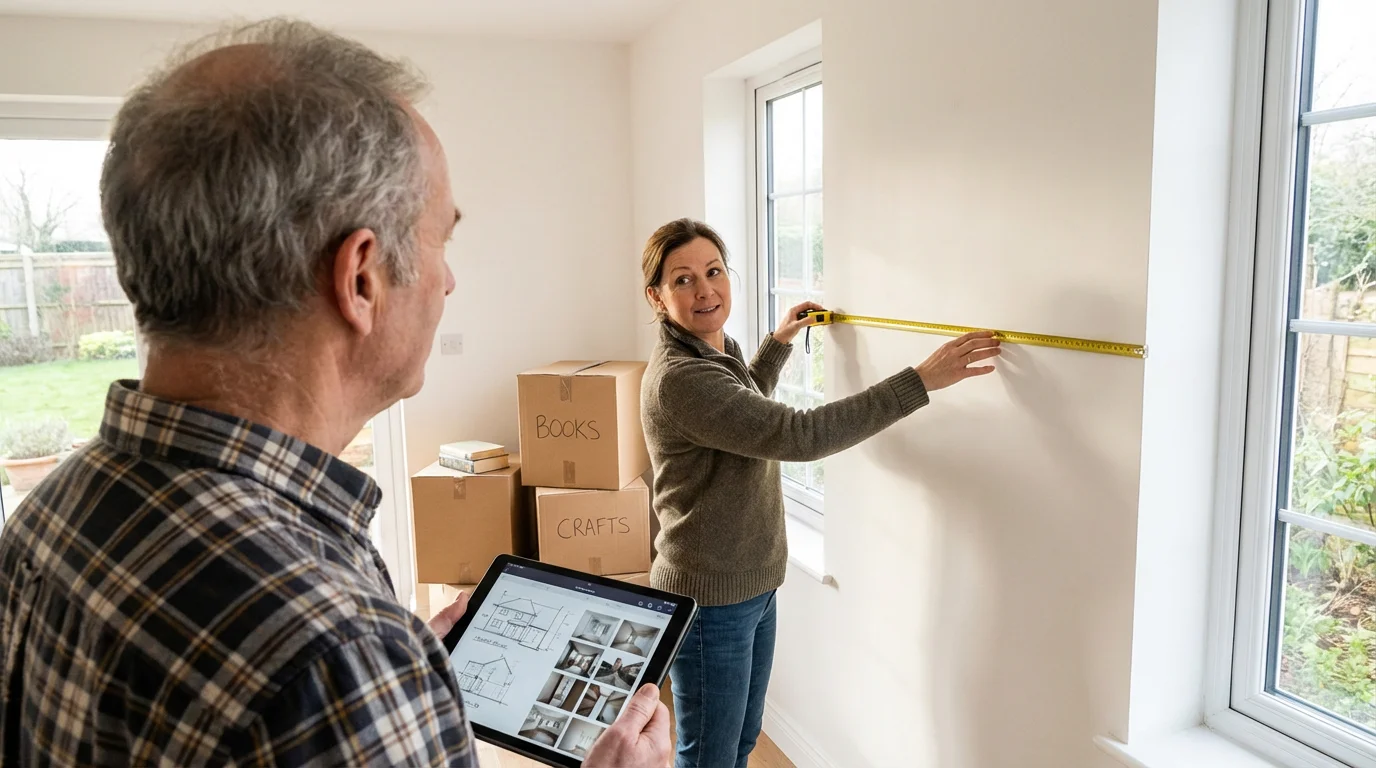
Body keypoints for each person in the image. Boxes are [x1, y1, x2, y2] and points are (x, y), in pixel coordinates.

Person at [0, 19, 669, 768]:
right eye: (440, 240)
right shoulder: (333, 655)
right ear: (361, 278)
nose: (449, 279)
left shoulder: (49, 516)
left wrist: (409, 692)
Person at [640, 218, 1000, 768]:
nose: (705, 289)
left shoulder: (715, 349)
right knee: (709, 754)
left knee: (738, 742)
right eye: (683, 280)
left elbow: (742, 417)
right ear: (657, 297)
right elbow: (797, 436)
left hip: (749, 579)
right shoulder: (681, 378)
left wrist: (776, 345)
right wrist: (920, 380)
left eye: (714, 271)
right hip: (711, 596)